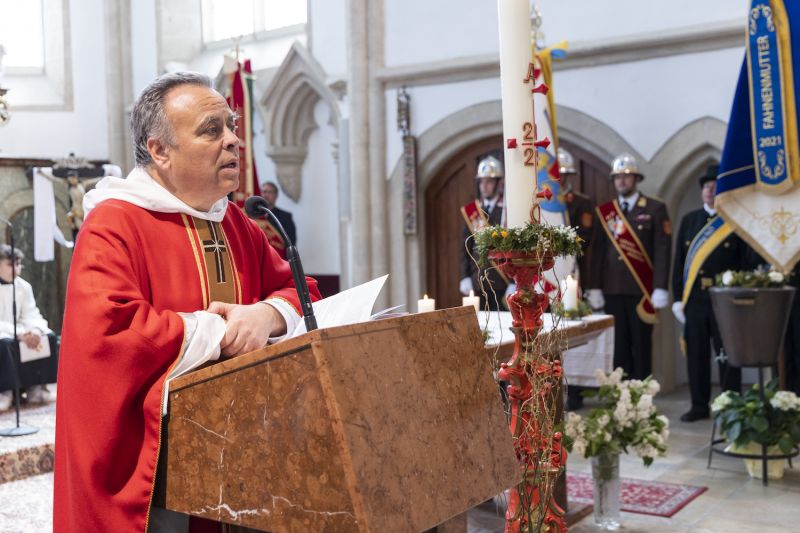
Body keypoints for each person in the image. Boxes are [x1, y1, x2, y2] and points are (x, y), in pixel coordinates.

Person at [53, 72, 321, 532]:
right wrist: (223, 331)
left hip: (244, 449)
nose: (233, 140)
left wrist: (266, 314)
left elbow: (302, 290)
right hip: (154, 462)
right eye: (211, 130)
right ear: (160, 150)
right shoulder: (114, 223)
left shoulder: (235, 221)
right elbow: (113, 331)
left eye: (231, 126)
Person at [671, 165, 748, 422]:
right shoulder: (689, 220)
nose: (709, 190)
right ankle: (699, 405)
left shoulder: (733, 220)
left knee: (727, 353)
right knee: (696, 354)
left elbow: (743, 262)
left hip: (724, 300)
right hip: (694, 300)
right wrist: (677, 298)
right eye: (706, 186)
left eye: (714, 186)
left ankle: (731, 404)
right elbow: (679, 262)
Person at [588, 153, 672, 380]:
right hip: (612, 290)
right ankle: (621, 394)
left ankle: (642, 394)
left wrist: (660, 286)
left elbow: (662, 250)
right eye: (617, 177)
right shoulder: (606, 211)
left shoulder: (655, 208)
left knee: (642, 345)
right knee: (618, 346)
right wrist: (594, 286)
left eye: (626, 176)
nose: (621, 181)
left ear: (636, 179)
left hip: (642, 290)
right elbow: (597, 252)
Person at [557, 147, 595, 410]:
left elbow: (588, 239)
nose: (559, 178)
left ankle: (575, 392)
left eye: (563, 174)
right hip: (547, 272)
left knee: (571, 334)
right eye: (555, 174)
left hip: (573, 272)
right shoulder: (541, 201)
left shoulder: (581, 202)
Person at [0, 245, 58, 410]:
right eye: (10, 265)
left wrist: (35, 330)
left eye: (18, 264)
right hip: (4, 333)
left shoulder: (23, 286)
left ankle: (37, 389)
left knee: (48, 337)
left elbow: (31, 313)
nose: (16, 269)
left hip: (20, 331)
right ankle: (5, 393)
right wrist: (18, 333)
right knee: (5, 344)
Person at [459, 155, 509, 310]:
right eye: (481, 181)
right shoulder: (473, 211)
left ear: (499, 183)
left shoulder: (507, 210)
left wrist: (514, 282)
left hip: (502, 282)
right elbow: (465, 247)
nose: (484, 186)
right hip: (478, 281)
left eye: (489, 181)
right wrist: (464, 276)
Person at [256, 180, 297, 259]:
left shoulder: (286, 217)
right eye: (264, 192)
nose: (266, 195)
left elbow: (291, 243)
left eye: (270, 192)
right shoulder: (254, 215)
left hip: (278, 258)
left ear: (276, 195)